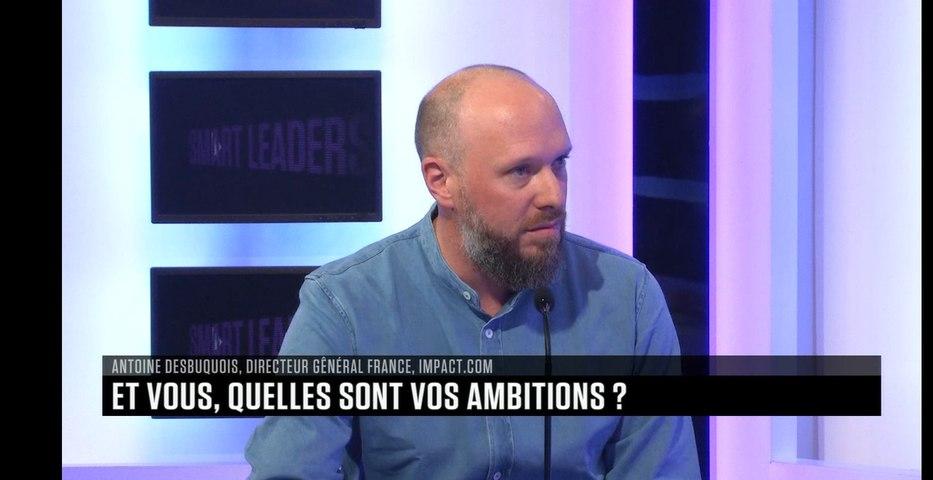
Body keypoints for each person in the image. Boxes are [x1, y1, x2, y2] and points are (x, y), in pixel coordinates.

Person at [245, 65, 701, 479]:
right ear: (441, 181)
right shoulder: (345, 304)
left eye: (559, 164)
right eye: (521, 171)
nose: (553, 195)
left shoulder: (627, 297)